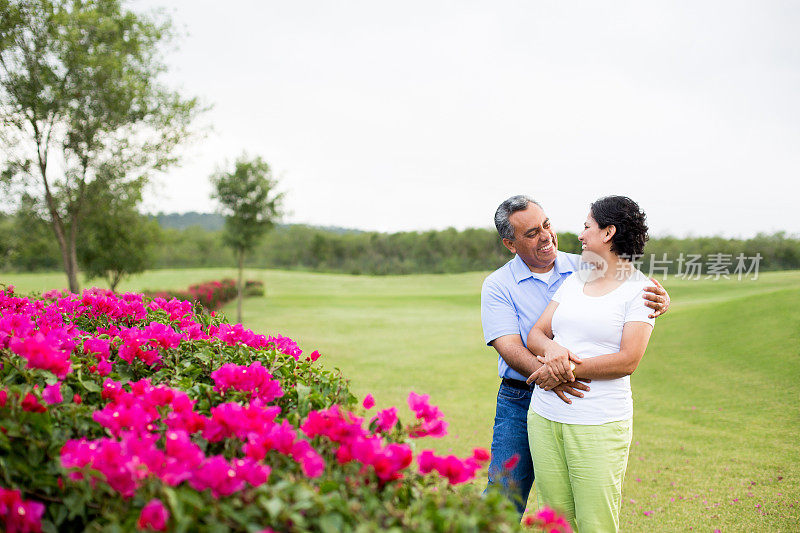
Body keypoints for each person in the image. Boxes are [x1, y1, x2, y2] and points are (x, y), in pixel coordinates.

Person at [480, 195, 670, 518]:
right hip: (522, 395)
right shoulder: (497, 285)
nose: (546, 236)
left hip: (577, 400)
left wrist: (661, 300)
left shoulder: (581, 267)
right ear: (510, 244)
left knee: (583, 509)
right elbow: (510, 346)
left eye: (547, 224)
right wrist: (553, 374)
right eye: (531, 233)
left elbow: (626, 283)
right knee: (505, 495)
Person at [525, 195, 657, 532]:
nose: (581, 235)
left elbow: (628, 360)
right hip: (544, 416)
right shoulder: (574, 281)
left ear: (609, 232)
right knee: (553, 521)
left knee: (595, 522)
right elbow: (537, 333)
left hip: (598, 421)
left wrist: (561, 370)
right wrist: (554, 355)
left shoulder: (640, 289)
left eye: (587, 226)